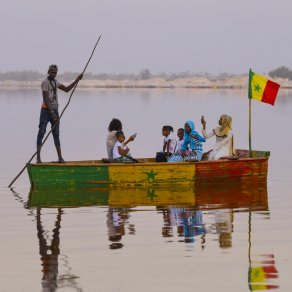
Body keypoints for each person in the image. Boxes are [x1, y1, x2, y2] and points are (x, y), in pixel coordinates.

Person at [36, 64, 83, 163]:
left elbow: (66, 89)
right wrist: (52, 112)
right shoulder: (45, 82)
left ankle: (60, 158)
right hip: (46, 111)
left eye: (55, 72)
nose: (54, 74)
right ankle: (38, 158)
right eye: (52, 72)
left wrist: (77, 80)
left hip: (55, 110)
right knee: (41, 133)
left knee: (56, 134)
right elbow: (45, 99)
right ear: (48, 72)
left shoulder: (55, 81)